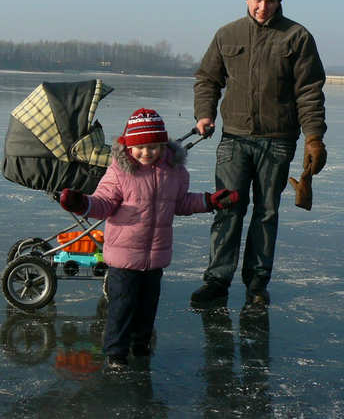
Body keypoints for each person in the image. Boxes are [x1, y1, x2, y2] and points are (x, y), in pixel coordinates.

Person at [59, 108, 239, 368]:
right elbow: (104, 204)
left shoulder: (174, 172)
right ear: (129, 147)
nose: (146, 152)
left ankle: (141, 344)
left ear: (163, 145)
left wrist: (210, 201)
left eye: (153, 146)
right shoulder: (120, 172)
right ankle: (115, 351)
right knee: (122, 306)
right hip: (124, 256)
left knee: (147, 306)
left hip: (155, 256)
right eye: (140, 147)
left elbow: (181, 203)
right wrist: (81, 203)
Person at [190, 0, 328, 308]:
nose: (262, 7)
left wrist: (314, 138)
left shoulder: (297, 37)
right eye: (256, 0)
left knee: (266, 212)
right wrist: (204, 113)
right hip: (234, 138)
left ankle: (256, 285)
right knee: (228, 208)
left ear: (279, 1)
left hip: (278, 141)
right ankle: (217, 282)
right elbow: (208, 78)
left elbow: (309, 92)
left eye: (269, 1)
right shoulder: (227, 34)